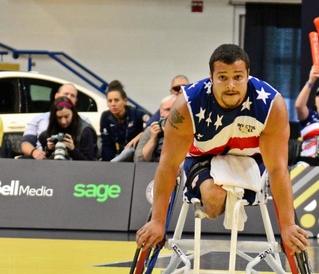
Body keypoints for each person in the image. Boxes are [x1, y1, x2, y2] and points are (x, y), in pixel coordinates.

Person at [135, 44, 308, 255]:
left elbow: (278, 170)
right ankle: (223, 196)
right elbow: (168, 165)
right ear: (211, 77)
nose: (231, 85)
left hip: (250, 159)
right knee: (213, 199)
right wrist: (158, 221)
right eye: (222, 77)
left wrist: (288, 226)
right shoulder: (187, 105)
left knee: (260, 178)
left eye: (237, 77)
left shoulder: (271, 105)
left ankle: (235, 194)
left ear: (247, 75)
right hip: (203, 157)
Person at [20, 82, 78, 159]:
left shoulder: (82, 122)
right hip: (42, 159)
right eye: (66, 94)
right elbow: (25, 143)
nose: (69, 97)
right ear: (56, 96)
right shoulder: (39, 119)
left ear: (76, 100)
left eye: (72, 95)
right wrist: (34, 152)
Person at [37, 96, 97, 161]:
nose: (63, 122)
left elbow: (89, 162)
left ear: (73, 113)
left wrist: (73, 150)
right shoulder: (51, 131)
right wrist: (49, 149)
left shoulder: (85, 132)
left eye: (67, 116)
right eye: (59, 118)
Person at [100, 80, 144, 161]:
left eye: (116, 100)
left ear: (125, 101)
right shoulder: (105, 117)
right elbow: (106, 145)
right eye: (110, 101)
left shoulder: (135, 112)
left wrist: (141, 134)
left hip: (135, 155)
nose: (113, 104)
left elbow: (152, 121)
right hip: (116, 157)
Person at [135, 94, 176, 163]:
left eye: (175, 109)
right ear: (161, 112)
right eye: (167, 110)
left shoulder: (189, 130)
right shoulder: (152, 130)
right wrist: (153, 139)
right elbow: (139, 161)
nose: (171, 113)